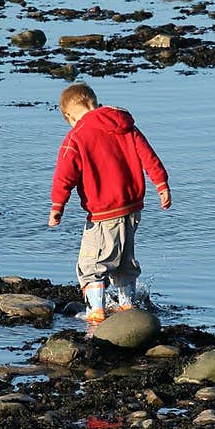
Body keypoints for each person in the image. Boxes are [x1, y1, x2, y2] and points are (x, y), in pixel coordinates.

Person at [48, 81, 171, 325]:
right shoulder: (125, 125)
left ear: (71, 116)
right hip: (132, 207)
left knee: (91, 263)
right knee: (125, 258)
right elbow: (149, 156)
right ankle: (127, 305)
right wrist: (161, 185)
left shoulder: (76, 137)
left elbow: (65, 175)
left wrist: (57, 207)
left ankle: (96, 310)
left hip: (104, 212)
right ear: (94, 102)